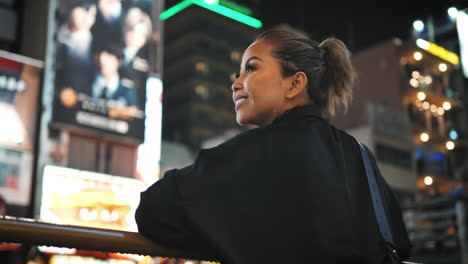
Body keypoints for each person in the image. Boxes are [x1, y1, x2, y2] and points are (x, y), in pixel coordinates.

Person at [135, 27, 411, 263]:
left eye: (251, 68)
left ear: (295, 83)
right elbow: (399, 241)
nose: (235, 83)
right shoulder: (360, 155)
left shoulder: (249, 153)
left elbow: (152, 210)